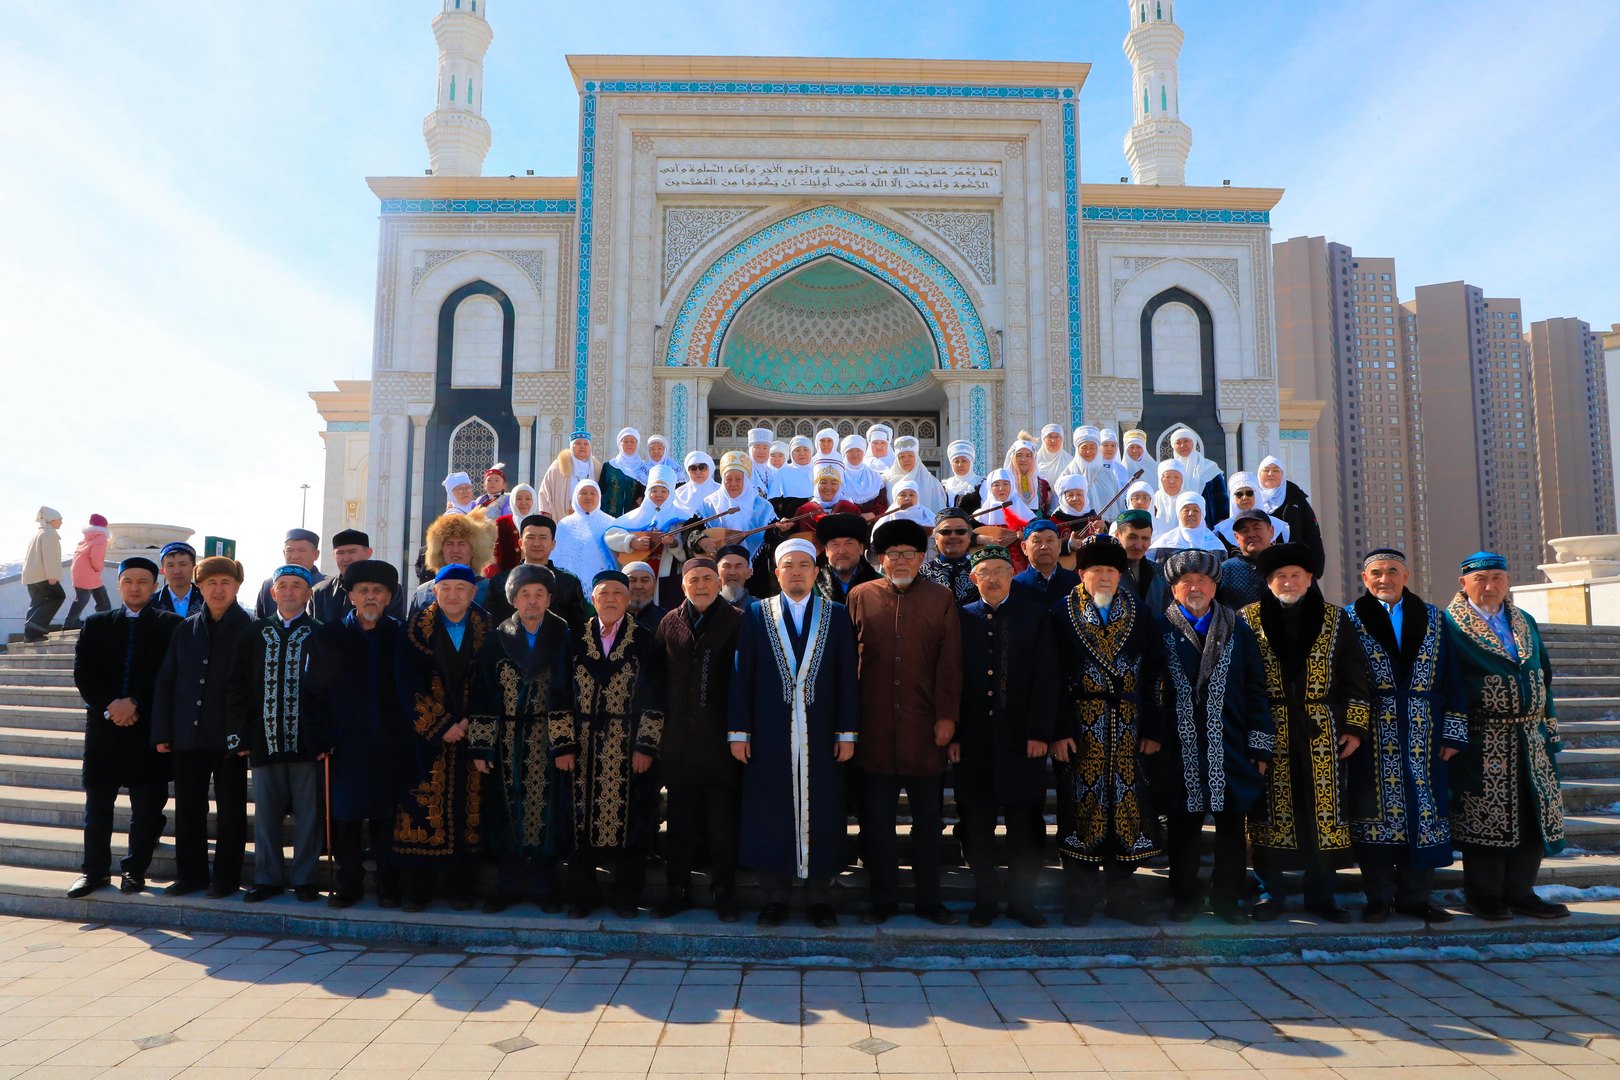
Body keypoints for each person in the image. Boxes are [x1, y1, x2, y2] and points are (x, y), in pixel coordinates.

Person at [728, 538, 860, 928]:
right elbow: (742, 674)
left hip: (822, 733)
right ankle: (775, 899)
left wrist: (846, 732)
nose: (797, 571)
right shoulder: (756, 613)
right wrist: (739, 731)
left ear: (816, 571)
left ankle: (820, 898)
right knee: (770, 812)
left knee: (824, 811)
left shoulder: (836, 614)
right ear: (777, 572)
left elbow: (846, 677)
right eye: (789, 565)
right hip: (769, 733)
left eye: (805, 564)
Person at [1239, 542, 1372, 923]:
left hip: (1321, 731)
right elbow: (1240, 679)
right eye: (1280, 576)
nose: (1288, 582)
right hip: (1269, 727)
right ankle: (1270, 893)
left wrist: (1355, 727)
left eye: (1295, 575)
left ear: (1310, 578)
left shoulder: (1335, 618)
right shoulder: (1248, 618)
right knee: (1268, 814)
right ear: (1268, 582)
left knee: (1322, 816)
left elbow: (1354, 675)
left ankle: (1322, 895)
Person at [848, 518, 962, 926]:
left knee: (928, 824)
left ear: (921, 558)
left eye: (908, 554)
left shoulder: (940, 598)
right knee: (877, 824)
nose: (900, 561)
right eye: (892, 554)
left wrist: (947, 717)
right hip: (874, 731)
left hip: (924, 731)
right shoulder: (860, 596)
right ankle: (883, 901)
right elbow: (848, 663)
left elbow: (950, 662)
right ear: (880, 559)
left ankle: (929, 901)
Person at [1443, 550, 1569, 920]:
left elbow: (1544, 676)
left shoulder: (1523, 620)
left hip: (1530, 737)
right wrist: (1451, 734)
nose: (1489, 586)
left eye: (1497, 578)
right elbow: (1444, 682)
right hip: (1483, 738)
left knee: (1532, 814)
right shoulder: (1449, 625)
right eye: (1480, 579)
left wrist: (1550, 733)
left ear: (1508, 581)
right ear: (1463, 583)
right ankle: (1483, 895)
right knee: (1486, 817)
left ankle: (1521, 892)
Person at [1346, 548, 1468, 924]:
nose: (1384, 579)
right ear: (1364, 579)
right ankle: (1379, 897)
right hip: (1372, 732)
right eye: (1376, 573)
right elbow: (1343, 678)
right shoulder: (1349, 619)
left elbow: (1452, 676)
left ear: (1406, 576)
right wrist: (1351, 727)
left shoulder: (1434, 618)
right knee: (1374, 815)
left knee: (1423, 812)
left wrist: (1453, 732)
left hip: (1424, 731)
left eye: (1392, 571)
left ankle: (1417, 897)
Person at [1148, 549, 1270, 925]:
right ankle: (1184, 897)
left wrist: (1260, 744)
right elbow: (1148, 687)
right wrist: (1151, 735)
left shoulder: (1237, 628)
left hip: (1229, 743)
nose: (1195, 587)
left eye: (1202, 580)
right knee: (1183, 825)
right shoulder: (1159, 629)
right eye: (1186, 581)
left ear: (1215, 586)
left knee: (1231, 825)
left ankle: (1227, 899)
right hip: (1178, 745)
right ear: (1173, 588)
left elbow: (1255, 687)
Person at [1048, 534, 1163, 927]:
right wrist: (1059, 729)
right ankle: (1080, 895)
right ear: (1081, 574)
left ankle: (1123, 895)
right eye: (1095, 570)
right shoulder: (1061, 612)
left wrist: (1153, 726)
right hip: (1080, 727)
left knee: (1128, 808)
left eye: (1111, 571)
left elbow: (1155, 673)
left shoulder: (1139, 612)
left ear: (1120, 575)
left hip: (1129, 727)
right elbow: (1051, 676)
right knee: (1080, 805)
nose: (1104, 577)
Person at [953, 545, 1058, 928]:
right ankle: (985, 898)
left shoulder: (1035, 615)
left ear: (1013, 573)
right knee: (976, 824)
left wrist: (1039, 732)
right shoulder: (960, 617)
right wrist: (954, 734)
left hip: (1022, 740)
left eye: (1000, 570)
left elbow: (1047, 677)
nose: (994, 578)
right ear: (973, 578)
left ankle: (1021, 900)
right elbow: (950, 680)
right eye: (985, 572)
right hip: (973, 742)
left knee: (1025, 826)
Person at [65, 557, 183, 898]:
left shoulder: (171, 625)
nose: (135, 587)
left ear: (155, 586)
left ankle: (135, 871)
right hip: (104, 727)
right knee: (98, 804)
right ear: (118, 585)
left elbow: (168, 674)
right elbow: (84, 673)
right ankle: (94, 872)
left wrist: (135, 702)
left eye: (143, 581)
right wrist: (111, 706)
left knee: (146, 807)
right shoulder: (96, 623)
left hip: (147, 728)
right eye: (128, 580)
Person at [468, 562, 575, 915]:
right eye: (525, 594)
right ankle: (507, 886)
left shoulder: (564, 636)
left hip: (548, 740)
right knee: (507, 809)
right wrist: (482, 746)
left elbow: (568, 693)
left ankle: (546, 886)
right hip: (507, 740)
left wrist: (564, 744)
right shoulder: (498, 638)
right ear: (513, 599)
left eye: (539, 594)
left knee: (548, 810)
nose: (532, 601)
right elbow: (484, 693)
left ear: (549, 599)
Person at [301, 559, 407, 909]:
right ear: (351, 597)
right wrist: (319, 738)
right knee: (344, 818)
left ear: (388, 597)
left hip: (391, 744)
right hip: (343, 744)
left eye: (378, 590)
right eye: (363, 590)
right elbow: (312, 693)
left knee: (387, 817)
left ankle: (389, 885)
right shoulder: (328, 637)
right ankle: (348, 884)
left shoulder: (403, 636)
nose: (371, 596)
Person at [564, 570, 665, 918]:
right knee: (579, 823)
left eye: (617, 593)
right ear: (593, 599)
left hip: (628, 747)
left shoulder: (646, 639)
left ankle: (626, 897)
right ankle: (583, 896)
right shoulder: (574, 638)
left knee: (633, 824)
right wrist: (563, 745)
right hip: (581, 748)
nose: (610, 599)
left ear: (627, 599)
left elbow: (656, 696)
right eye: (603, 593)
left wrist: (645, 746)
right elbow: (558, 692)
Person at [151, 555, 253, 898]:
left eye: (225, 582)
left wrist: (247, 735)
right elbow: (167, 682)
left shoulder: (251, 629)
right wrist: (163, 731)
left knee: (231, 812)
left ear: (237, 586)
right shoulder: (185, 629)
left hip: (230, 739)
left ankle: (226, 878)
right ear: (199, 586)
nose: (218, 589)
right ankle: (191, 875)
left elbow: (255, 687)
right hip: (188, 735)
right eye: (211, 583)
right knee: (189, 809)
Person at [395, 564, 493, 911]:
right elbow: (406, 682)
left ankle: (461, 889)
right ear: (434, 592)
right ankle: (417, 890)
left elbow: (492, 681)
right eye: (446, 588)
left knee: (468, 813)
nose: (453, 595)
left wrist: (470, 723)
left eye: (461, 588)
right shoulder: (413, 630)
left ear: (473, 593)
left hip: (471, 736)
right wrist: (441, 725)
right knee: (421, 809)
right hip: (425, 741)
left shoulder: (488, 628)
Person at [652, 557, 744, 921]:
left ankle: (725, 893)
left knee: (722, 828)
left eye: (708, 578)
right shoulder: (669, 622)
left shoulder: (738, 621)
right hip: (679, 744)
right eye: (694, 580)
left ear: (719, 582)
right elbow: (656, 681)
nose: (701, 585)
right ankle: (677, 891)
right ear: (683, 585)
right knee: (680, 826)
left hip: (723, 745)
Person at [226, 565, 323, 903]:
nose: (289, 591)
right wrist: (239, 735)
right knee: (266, 816)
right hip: (264, 739)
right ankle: (267, 878)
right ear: (272, 592)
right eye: (283, 586)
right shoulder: (254, 633)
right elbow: (236, 687)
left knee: (309, 815)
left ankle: (305, 878)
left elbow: (332, 689)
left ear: (308, 593)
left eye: (297, 585)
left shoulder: (320, 633)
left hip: (308, 743)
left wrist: (326, 737)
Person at [486, 514, 588, 634]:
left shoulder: (569, 582)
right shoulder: (500, 582)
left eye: (543, 538)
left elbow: (579, 629)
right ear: (520, 543)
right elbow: (491, 627)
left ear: (553, 544)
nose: (536, 543)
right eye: (530, 537)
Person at [605, 464, 687, 609]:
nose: (658, 495)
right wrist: (631, 541)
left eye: (663, 491)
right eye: (654, 490)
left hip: (667, 576)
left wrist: (674, 544)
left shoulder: (680, 518)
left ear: (671, 493)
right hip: (636, 575)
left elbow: (687, 551)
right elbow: (610, 536)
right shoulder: (633, 517)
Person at [408, 511, 496, 618]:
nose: (455, 550)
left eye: (462, 543)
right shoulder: (423, 593)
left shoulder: (490, 589)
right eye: (449, 544)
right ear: (440, 550)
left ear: (474, 550)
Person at [310, 529, 407, 623]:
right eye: (340, 553)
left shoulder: (389, 588)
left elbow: (394, 627)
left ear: (368, 553)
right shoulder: (320, 592)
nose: (346, 558)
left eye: (352, 552)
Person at [704, 452, 778, 563]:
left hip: (754, 567)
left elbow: (772, 536)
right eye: (728, 479)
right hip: (718, 566)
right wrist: (701, 540)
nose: (733, 484)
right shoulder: (709, 504)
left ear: (747, 480)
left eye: (738, 479)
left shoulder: (762, 506)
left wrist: (780, 530)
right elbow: (693, 531)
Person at [1256, 456, 1324, 569]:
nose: (1270, 474)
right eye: (1266, 470)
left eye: (1276, 470)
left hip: (1292, 561)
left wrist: (1316, 568)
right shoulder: (1251, 497)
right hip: (1259, 563)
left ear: (1283, 475)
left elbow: (1313, 534)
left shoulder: (1296, 499)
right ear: (1259, 474)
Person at [551, 480, 616, 587]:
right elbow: (558, 555)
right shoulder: (565, 524)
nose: (588, 497)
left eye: (593, 493)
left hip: (602, 583)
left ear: (599, 497)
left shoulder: (610, 522)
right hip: (570, 584)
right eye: (584, 493)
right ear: (576, 496)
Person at [253, 529, 326, 619]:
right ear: (284, 553)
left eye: (302, 550)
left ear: (316, 554)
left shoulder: (327, 587)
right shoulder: (268, 585)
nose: (294, 556)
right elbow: (258, 621)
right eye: (290, 550)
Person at [1168, 427, 1230, 525]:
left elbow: (1221, 497)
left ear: (1193, 442)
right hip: (1176, 522)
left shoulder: (1209, 467)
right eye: (1178, 442)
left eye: (1186, 441)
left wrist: (1221, 521)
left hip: (1208, 522)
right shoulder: (1170, 469)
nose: (1182, 445)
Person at [814, 513, 880, 605]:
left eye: (849, 543)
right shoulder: (811, 585)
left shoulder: (880, 584)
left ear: (861, 548)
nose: (842, 551)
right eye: (835, 544)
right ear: (826, 550)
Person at [1215, 508, 1275, 609]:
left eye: (1257, 528)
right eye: (1244, 530)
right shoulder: (1225, 570)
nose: (1251, 534)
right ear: (1236, 537)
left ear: (1271, 531)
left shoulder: (1285, 565)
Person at [919, 507, 980, 605]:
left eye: (960, 531)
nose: (953, 536)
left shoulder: (981, 573)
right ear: (936, 537)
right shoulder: (921, 574)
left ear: (969, 536)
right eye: (946, 531)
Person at [22, 506, 66, 641]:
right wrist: (52, 575)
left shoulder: (38, 533)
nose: (61, 522)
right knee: (58, 596)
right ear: (52, 520)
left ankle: (30, 635)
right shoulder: (49, 534)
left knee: (37, 603)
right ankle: (34, 625)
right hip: (43, 575)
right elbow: (50, 556)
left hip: (31, 576)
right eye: (60, 519)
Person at [1215, 471, 1289, 551]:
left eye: (1249, 493)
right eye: (1239, 494)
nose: (1244, 497)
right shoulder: (1223, 530)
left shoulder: (1277, 525)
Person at [1012, 520, 1079, 606]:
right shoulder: (1016, 585)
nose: (1044, 546)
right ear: (1024, 547)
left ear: (1059, 545)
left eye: (1049, 540)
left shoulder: (1076, 583)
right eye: (1037, 541)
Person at [1113, 509, 1167, 614]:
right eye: (1132, 537)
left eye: (1145, 538)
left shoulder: (1159, 574)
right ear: (1117, 535)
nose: (1138, 545)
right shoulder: (1105, 573)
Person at [63, 513, 111, 630]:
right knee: (91, 598)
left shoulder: (87, 537)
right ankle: (71, 623)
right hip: (89, 572)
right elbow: (96, 556)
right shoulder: (101, 537)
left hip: (80, 571)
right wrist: (98, 568)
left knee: (98, 597)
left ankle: (104, 620)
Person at [540, 431, 602, 520]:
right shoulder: (558, 466)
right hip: (564, 513)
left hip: (590, 515)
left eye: (586, 444)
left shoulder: (596, 467)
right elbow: (545, 490)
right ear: (571, 446)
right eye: (578, 443)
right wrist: (546, 514)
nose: (582, 446)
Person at [881, 436, 948, 512]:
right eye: (902, 457)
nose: (906, 459)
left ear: (916, 457)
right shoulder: (886, 481)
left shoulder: (931, 482)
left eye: (910, 456)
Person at [1062, 427, 1119, 516]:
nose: (1088, 451)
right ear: (1077, 449)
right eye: (1084, 447)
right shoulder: (1068, 474)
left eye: (1092, 447)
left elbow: (1119, 504)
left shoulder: (1108, 474)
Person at [1148, 492, 1227, 555]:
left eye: (1195, 510)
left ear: (1202, 514)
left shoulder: (1214, 544)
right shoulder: (1167, 543)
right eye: (1186, 510)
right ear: (1179, 514)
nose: (1191, 514)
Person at [599, 427, 649, 517]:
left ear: (637, 443)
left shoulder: (643, 468)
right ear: (620, 443)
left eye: (632, 441)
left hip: (634, 517)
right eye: (625, 441)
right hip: (608, 515)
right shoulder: (609, 466)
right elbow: (600, 491)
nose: (629, 444)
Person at [795, 459, 864, 522]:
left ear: (840, 486)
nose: (828, 487)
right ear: (816, 485)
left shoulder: (850, 509)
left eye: (834, 483)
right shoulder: (805, 510)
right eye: (823, 482)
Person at [1004, 437, 1053, 517]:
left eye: (1028, 456)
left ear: (1034, 458)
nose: (1023, 459)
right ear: (1012, 458)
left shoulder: (1044, 484)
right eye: (1019, 455)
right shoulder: (1004, 483)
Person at [839, 434, 887, 515]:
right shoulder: (837, 475)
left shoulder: (874, 476)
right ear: (844, 453)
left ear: (863, 452)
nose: (855, 454)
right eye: (850, 450)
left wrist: (873, 514)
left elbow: (881, 502)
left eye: (858, 450)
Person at [150, 541, 201, 617]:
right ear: (163, 571)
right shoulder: (152, 603)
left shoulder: (207, 600)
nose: (177, 571)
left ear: (194, 568)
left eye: (182, 564)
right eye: (171, 565)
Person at [766, 436, 817, 506]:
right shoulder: (783, 472)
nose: (802, 453)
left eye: (805, 449)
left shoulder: (817, 469)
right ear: (791, 453)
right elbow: (774, 497)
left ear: (811, 451)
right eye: (797, 450)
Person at [672, 451, 721, 519]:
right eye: (693, 468)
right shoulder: (679, 494)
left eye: (702, 467)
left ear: (709, 468)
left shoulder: (720, 491)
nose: (698, 472)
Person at [940, 439, 983, 515]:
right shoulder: (945, 486)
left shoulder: (981, 484)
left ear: (971, 462)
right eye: (956, 461)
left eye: (964, 461)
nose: (960, 465)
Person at [624, 561, 665, 634]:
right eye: (632, 580)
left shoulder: (666, 620)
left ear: (655, 584)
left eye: (645, 580)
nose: (638, 586)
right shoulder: (611, 618)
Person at [1150, 461, 1187, 538]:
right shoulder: (1153, 499)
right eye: (1167, 477)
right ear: (1160, 479)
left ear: (1182, 480)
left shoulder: (1188, 500)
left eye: (1176, 477)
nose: (1172, 481)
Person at [717, 545, 757, 610]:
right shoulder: (706, 607)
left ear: (748, 573)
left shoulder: (760, 608)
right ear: (716, 572)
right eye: (727, 566)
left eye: (738, 566)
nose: (732, 572)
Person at [745, 427, 778, 494]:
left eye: (765, 448)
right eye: (757, 447)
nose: (761, 452)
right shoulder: (745, 471)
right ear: (750, 450)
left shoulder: (773, 473)